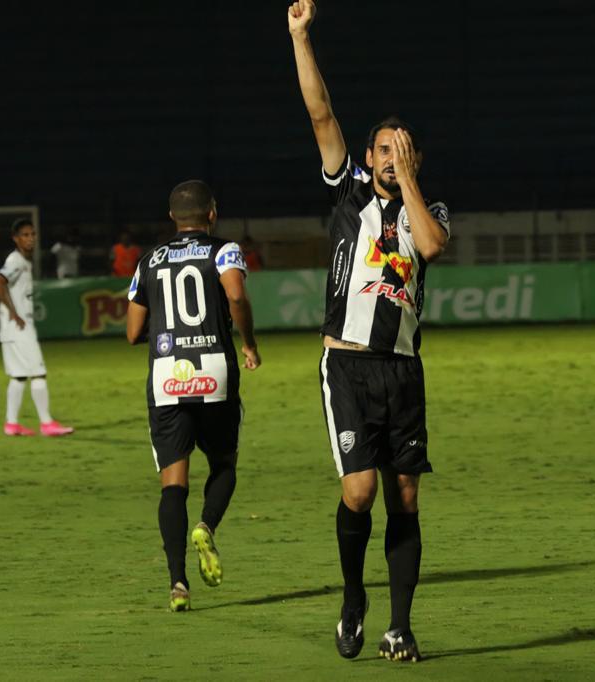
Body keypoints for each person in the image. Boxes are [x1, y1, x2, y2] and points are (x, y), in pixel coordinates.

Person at [289, 0, 451, 663]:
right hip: (348, 366)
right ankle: (354, 597)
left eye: (402, 149)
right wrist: (301, 37)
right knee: (358, 490)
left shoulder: (426, 207)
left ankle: (401, 626)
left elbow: (433, 247)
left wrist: (410, 178)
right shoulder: (348, 194)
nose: (391, 157)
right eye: (384, 149)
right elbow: (321, 113)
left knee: (404, 495)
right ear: (366, 156)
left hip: (402, 369)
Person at [125, 179, 261, 612]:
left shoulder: (149, 260)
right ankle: (207, 525)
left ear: (172, 217)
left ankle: (178, 584)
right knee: (224, 464)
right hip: (214, 369)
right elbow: (236, 293)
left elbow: (131, 332)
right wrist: (249, 341)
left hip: (167, 375)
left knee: (173, 484)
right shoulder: (224, 250)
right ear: (213, 213)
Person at [0, 219, 75, 437]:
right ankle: (47, 423)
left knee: (19, 376)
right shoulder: (16, 260)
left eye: (33, 234)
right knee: (38, 372)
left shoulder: (23, 261)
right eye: (25, 235)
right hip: (18, 326)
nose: (30, 239)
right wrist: (14, 312)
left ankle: (11, 424)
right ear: (15, 238)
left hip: (10, 327)